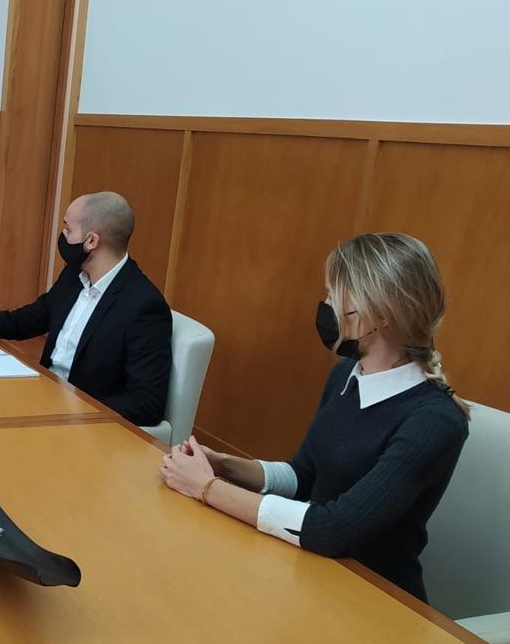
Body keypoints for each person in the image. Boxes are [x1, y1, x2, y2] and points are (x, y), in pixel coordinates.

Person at [160, 232, 469, 602]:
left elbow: (334, 529)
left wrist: (206, 488)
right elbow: (303, 475)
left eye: (334, 296)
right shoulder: (345, 375)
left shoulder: (435, 420)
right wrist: (225, 466)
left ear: (382, 313)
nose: (325, 306)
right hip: (311, 572)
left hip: (374, 600)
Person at [0, 192, 172, 427]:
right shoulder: (75, 275)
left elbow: (146, 403)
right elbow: (24, 321)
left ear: (91, 241)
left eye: (67, 229)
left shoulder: (143, 306)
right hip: (40, 398)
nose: (62, 237)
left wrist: (72, 411)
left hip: (77, 425)